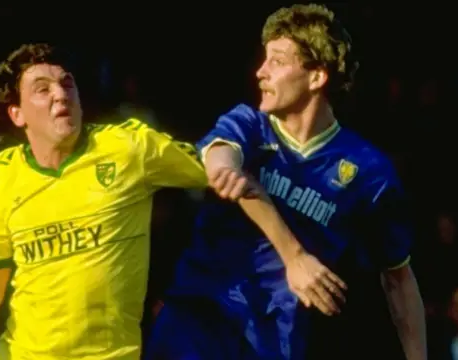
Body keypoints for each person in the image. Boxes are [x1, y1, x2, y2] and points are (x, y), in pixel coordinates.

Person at [0, 43, 334, 360]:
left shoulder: (129, 147)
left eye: (67, 83)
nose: (61, 94)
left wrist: (294, 249)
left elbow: (224, 170)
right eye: (41, 90)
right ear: (17, 114)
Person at [146, 4, 426, 360]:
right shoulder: (248, 123)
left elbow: (398, 278)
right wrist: (293, 255)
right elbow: (220, 156)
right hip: (201, 316)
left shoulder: (369, 171)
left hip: (277, 339)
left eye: (277, 61)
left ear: (316, 77)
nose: (261, 72)